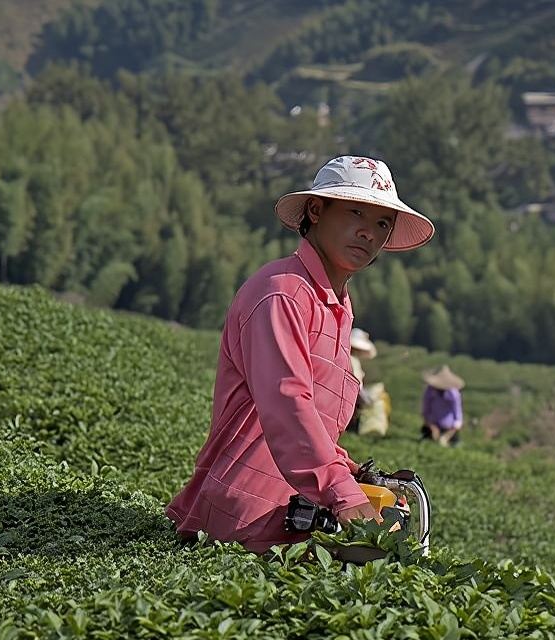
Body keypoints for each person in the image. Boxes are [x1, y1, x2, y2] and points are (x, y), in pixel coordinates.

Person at [166, 155, 434, 553]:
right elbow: (288, 406)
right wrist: (345, 495)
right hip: (246, 514)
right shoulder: (283, 293)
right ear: (315, 210)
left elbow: (316, 425)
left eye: (382, 223)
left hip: (292, 510)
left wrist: (352, 472)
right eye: (355, 213)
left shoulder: (334, 305)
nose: (369, 233)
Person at [420, 365, 464, 446]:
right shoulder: (430, 391)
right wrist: (432, 428)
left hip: (449, 429)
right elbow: (425, 412)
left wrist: (447, 436)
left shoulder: (454, 395)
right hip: (432, 426)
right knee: (426, 443)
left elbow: (458, 417)